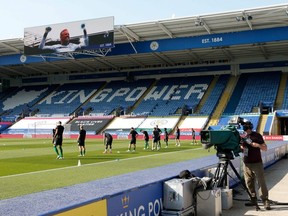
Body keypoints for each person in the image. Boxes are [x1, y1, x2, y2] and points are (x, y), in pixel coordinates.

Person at [240, 121, 271, 210]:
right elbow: (242, 149)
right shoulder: (243, 137)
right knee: (249, 182)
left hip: (257, 163)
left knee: (261, 182)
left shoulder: (257, 135)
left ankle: (265, 200)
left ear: (251, 128)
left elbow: (265, 148)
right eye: (246, 129)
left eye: (249, 128)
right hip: (246, 163)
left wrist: (257, 145)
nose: (248, 130)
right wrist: (241, 148)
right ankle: (253, 199)